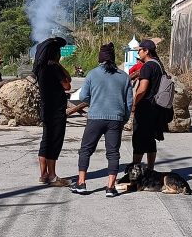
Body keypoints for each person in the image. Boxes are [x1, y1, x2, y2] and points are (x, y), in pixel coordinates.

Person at [71, 43, 131, 198]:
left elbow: (83, 96)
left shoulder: (92, 74)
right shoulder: (124, 77)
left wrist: (95, 101)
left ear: (100, 58)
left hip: (95, 118)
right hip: (116, 119)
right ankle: (110, 188)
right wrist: (123, 118)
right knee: (113, 153)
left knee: (85, 150)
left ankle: (81, 183)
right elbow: (129, 102)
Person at [33, 36, 71, 186]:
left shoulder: (40, 68)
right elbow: (67, 85)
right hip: (56, 110)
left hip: (45, 108)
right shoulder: (53, 67)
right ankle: (53, 176)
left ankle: (43, 174)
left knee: (46, 141)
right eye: (59, 52)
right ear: (55, 53)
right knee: (55, 142)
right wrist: (58, 64)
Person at [130, 39, 169, 175]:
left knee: (139, 139)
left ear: (146, 51)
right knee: (151, 140)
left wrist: (134, 104)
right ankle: (150, 169)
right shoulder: (158, 65)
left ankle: (135, 171)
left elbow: (142, 89)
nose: (138, 53)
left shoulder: (147, 67)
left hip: (145, 107)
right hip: (156, 108)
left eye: (139, 50)